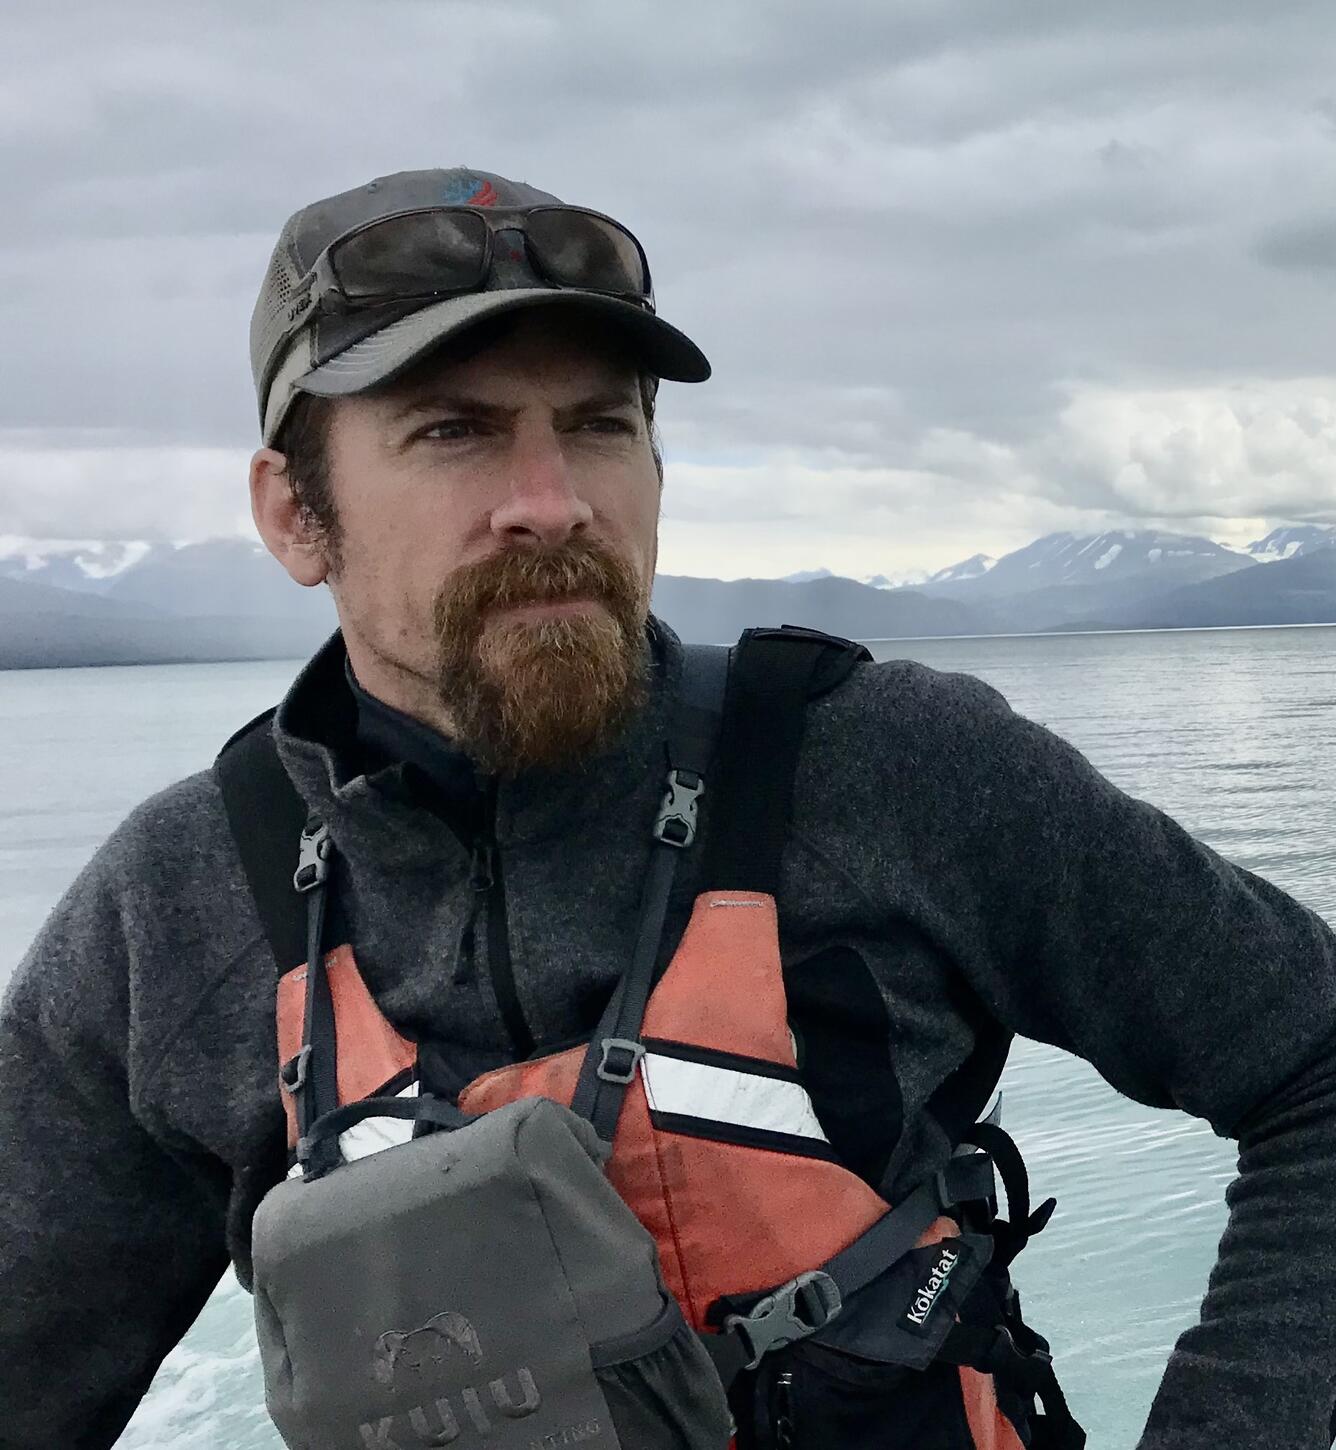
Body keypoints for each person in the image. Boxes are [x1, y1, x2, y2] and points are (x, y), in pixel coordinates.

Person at [1, 166, 1334, 1450]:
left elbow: (1312, 1056)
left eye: (600, 423)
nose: (551, 503)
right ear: (296, 513)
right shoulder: (173, 913)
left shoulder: (881, 767)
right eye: (454, 429)